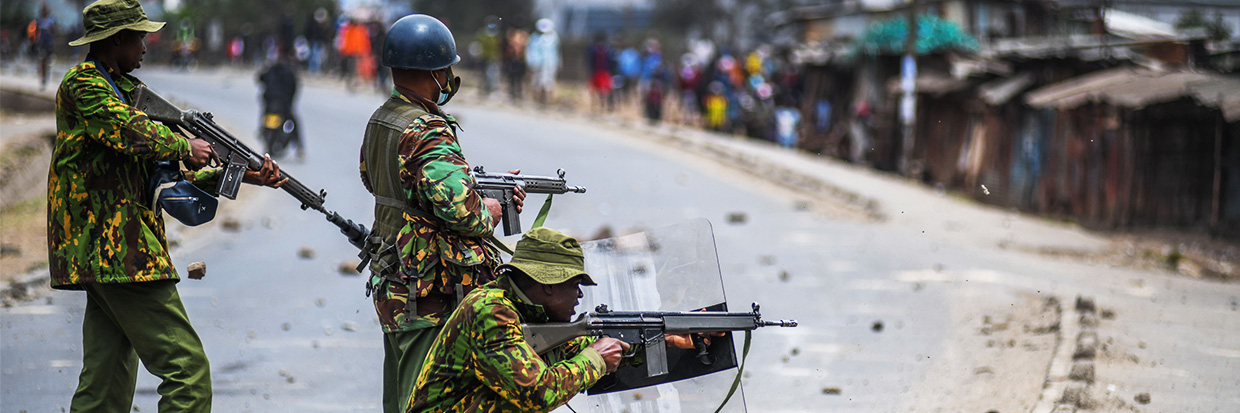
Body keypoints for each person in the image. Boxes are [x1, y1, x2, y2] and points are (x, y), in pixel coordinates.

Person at [49, 0, 287, 411]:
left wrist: (244, 174)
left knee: (105, 386)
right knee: (188, 376)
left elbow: (160, 177)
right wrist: (183, 142)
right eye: (139, 36)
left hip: (114, 253)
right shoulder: (84, 84)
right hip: (119, 252)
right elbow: (130, 133)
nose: (147, 44)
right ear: (116, 39)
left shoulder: (124, 89)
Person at [358, 14, 526, 413]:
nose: (449, 77)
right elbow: (464, 214)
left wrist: (468, 184)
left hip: (392, 281)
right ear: (435, 72)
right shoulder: (428, 128)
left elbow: (374, 179)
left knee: (399, 395)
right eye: (446, 69)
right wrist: (491, 209)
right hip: (425, 293)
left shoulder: (383, 117)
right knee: (423, 399)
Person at [405, 227, 630, 412]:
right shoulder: (490, 311)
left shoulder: (530, 310)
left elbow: (573, 348)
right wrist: (596, 359)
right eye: (574, 285)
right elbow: (537, 392)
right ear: (548, 285)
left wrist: (642, 342)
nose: (580, 295)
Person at [525, 18, 560, 105]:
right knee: (536, 83)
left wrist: (557, 63)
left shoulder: (554, 37)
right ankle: (536, 100)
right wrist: (531, 62)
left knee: (548, 83)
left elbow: (556, 52)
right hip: (537, 64)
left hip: (549, 64)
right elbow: (530, 51)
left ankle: (547, 101)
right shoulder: (534, 37)